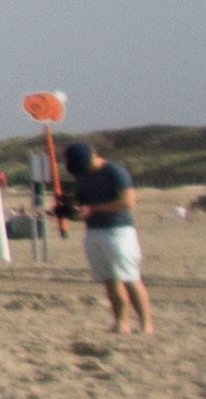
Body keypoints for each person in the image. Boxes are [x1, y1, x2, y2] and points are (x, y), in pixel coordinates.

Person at [64, 137, 153, 335]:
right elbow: (83, 205)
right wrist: (73, 212)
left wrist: (93, 208)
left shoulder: (114, 172)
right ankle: (121, 322)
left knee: (130, 277)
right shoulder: (81, 176)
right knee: (109, 280)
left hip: (118, 231)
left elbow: (128, 202)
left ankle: (146, 324)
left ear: (93, 156)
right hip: (94, 231)